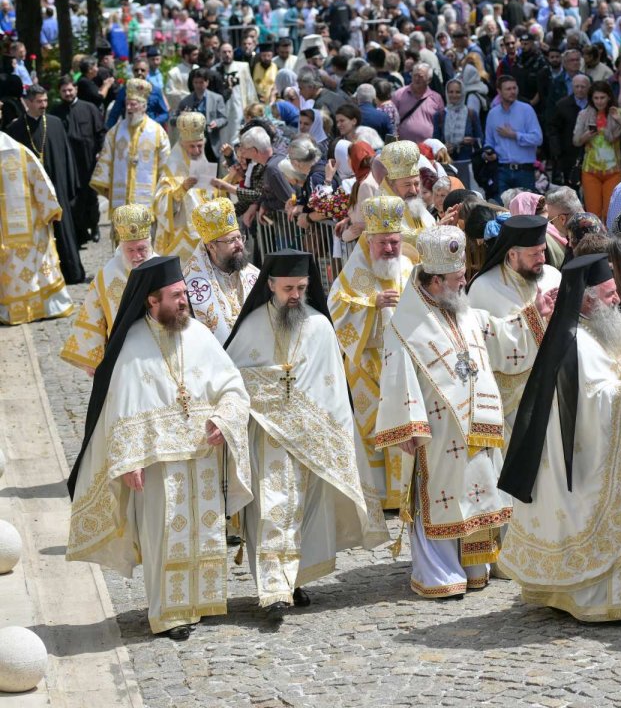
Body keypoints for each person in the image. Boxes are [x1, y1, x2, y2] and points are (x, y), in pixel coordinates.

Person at [498, 253, 621, 625]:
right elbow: (598, 401)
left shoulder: (597, 326)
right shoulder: (575, 341)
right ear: (587, 300)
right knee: (595, 517)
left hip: (595, 449)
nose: (618, 300)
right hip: (588, 456)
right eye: (609, 295)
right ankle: (611, 604)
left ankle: (586, 595)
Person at [65, 257, 253, 641]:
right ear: (152, 301)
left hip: (201, 454)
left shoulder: (198, 334)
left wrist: (224, 419)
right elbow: (120, 408)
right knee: (165, 537)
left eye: (184, 294)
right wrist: (128, 460)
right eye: (176, 296)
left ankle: (202, 601)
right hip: (156, 464)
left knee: (205, 531)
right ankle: (170, 613)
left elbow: (233, 387)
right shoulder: (132, 344)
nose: (184, 302)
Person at [377, 226, 551, 599]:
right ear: (435, 281)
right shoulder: (404, 326)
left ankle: (474, 566)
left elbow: (501, 338)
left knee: (477, 493)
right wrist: (408, 427)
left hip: (478, 423)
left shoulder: (465, 311)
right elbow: (395, 377)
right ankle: (438, 572)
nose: (463, 283)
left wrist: (534, 315)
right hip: (436, 430)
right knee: (440, 496)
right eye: (457, 278)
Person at [224, 251, 389, 621]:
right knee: (271, 510)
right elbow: (230, 380)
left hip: (311, 443)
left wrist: (335, 438)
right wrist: (269, 385)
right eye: (288, 288)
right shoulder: (251, 325)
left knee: (305, 511)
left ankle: (292, 580)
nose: (295, 295)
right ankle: (273, 591)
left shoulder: (320, 326)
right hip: (267, 439)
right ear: (270, 285)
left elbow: (333, 392)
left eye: (301, 287)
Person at [328, 196, 416, 510]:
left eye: (395, 242)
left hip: (404, 362)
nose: (390, 249)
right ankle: (378, 495)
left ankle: (406, 491)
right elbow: (335, 307)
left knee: (406, 423)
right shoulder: (355, 272)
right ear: (368, 241)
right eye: (383, 243)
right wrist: (371, 304)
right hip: (366, 363)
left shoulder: (408, 267)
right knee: (372, 429)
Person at [466, 214, 563, 430]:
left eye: (543, 251)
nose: (542, 259)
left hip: (553, 388)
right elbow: (484, 346)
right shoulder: (484, 287)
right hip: (512, 404)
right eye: (534, 254)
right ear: (512, 254)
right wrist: (533, 315)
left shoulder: (553, 276)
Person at [59, 205, 157, 373]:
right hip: (123, 358)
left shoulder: (162, 269)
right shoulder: (107, 276)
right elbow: (93, 314)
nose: (137, 256)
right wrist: (92, 360)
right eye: (130, 250)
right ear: (121, 247)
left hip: (158, 354)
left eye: (142, 249)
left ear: (150, 244)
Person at [5, 84, 86, 284]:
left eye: (45, 101)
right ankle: (43, 278)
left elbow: (67, 156)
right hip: (30, 193)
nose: (43, 105)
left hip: (57, 188)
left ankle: (71, 273)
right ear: (28, 102)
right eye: (39, 101)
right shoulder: (15, 129)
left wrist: (70, 185)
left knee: (63, 230)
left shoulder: (55, 123)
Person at [0, 130, 73, 324]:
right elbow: (41, 181)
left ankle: (34, 309)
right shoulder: (19, 150)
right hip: (14, 229)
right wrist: (49, 207)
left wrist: (50, 209)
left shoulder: (17, 151)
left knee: (30, 269)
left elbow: (39, 179)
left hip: (27, 227)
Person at [154, 112, 235, 258]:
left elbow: (214, 197)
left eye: (200, 146)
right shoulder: (171, 169)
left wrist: (231, 178)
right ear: (182, 145)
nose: (197, 151)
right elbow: (160, 206)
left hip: (205, 237)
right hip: (180, 240)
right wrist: (182, 189)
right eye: (192, 146)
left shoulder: (202, 163)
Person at [90, 78, 172, 221]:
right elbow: (106, 161)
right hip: (121, 198)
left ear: (143, 106)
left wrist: (163, 190)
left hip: (147, 198)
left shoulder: (157, 132)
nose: (128, 108)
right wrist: (106, 186)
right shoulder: (115, 132)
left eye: (133, 104)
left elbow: (165, 165)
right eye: (126, 104)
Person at [183, 199, 261, 342]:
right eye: (231, 241)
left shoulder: (254, 274)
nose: (239, 245)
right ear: (211, 246)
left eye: (239, 237)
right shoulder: (190, 286)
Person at [50, 75, 107, 245]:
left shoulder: (89, 108)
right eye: (64, 91)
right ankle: (80, 232)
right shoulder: (55, 113)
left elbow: (100, 132)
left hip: (88, 161)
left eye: (70, 90)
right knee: (73, 199)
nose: (68, 93)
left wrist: (100, 152)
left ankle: (94, 226)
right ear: (59, 92)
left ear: (75, 89)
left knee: (91, 197)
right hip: (68, 163)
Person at [573, 80, 621, 221]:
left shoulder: (619, 112)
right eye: (596, 98)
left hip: (613, 171)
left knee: (611, 214)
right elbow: (576, 141)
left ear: (609, 97)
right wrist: (585, 137)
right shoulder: (583, 114)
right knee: (593, 215)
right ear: (591, 99)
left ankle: (610, 236)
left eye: (602, 97)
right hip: (590, 171)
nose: (599, 101)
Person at [483, 76, 542, 195]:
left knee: (526, 206)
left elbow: (538, 138)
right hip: (501, 170)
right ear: (499, 91)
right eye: (508, 89)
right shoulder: (493, 114)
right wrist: (487, 154)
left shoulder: (527, 110)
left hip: (524, 171)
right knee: (501, 206)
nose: (512, 92)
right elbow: (488, 142)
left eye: (514, 88)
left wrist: (514, 135)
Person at [173, 68, 227, 162]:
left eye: (201, 82)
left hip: (211, 143)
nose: (198, 85)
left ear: (207, 82)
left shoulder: (217, 98)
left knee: (211, 170)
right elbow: (172, 120)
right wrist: (182, 118)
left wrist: (216, 123)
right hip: (191, 144)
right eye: (196, 82)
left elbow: (224, 118)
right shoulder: (185, 101)